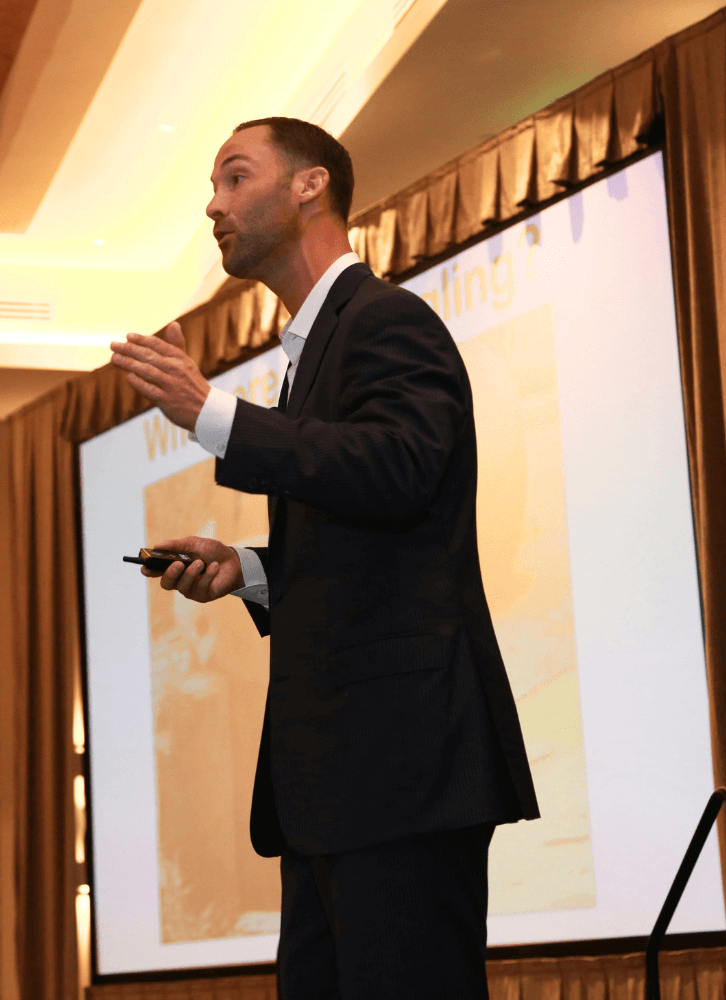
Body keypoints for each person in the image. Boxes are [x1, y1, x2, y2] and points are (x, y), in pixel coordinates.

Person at [110, 117, 539, 999]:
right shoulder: (310, 356)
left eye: (235, 177)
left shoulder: (386, 319)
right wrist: (248, 570)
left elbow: (401, 470)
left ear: (311, 186)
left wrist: (211, 413)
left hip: (403, 770)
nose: (213, 204)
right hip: (337, 790)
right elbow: (371, 543)